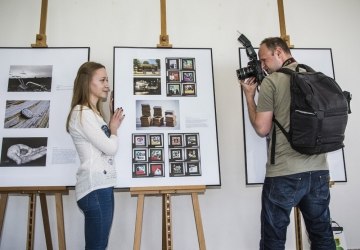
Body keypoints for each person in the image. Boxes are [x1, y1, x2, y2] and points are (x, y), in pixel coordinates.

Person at [240, 37, 336, 250]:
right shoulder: (315, 76)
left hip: (284, 174)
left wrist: (249, 96)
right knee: (322, 236)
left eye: (264, 60)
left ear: (279, 52)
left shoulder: (272, 82)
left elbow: (262, 128)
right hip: (319, 171)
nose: (263, 66)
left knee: (273, 241)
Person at [66, 61, 125, 250]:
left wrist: (109, 122)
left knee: (98, 245)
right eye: (102, 80)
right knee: (97, 246)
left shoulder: (92, 113)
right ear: (87, 83)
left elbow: (100, 143)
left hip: (100, 187)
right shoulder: (82, 113)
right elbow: (110, 148)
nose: (107, 84)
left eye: (107, 79)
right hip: (95, 190)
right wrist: (114, 129)